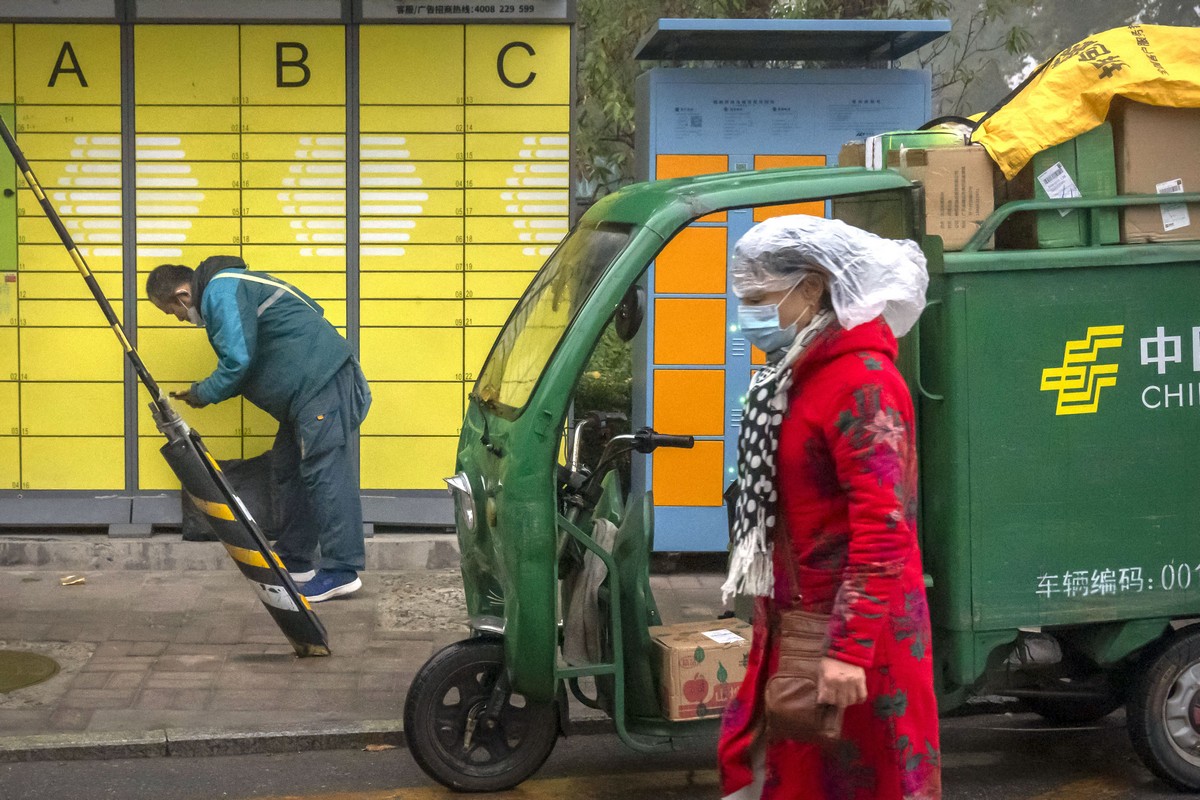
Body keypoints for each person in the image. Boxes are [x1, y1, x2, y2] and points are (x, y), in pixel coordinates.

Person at [718, 215, 940, 800]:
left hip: (857, 648)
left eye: (760, 299)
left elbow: (885, 531)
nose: (748, 317)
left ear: (812, 288)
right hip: (799, 629)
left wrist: (847, 651)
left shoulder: (862, 383)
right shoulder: (794, 376)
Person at [146, 256, 371, 603]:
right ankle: (296, 560)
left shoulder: (221, 291)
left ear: (181, 296)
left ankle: (342, 570)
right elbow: (308, 312)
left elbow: (238, 359)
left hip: (320, 384)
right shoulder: (233, 285)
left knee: (325, 471)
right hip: (308, 391)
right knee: (288, 465)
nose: (178, 319)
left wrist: (203, 392)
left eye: (171, 312)